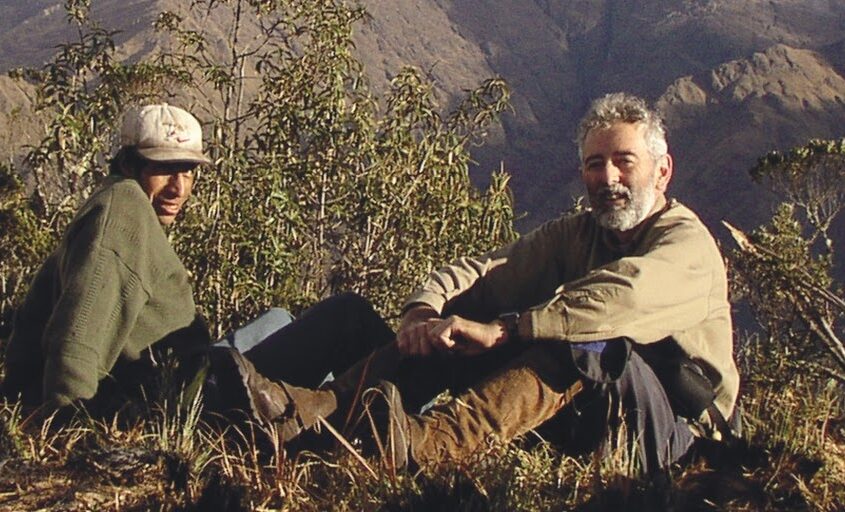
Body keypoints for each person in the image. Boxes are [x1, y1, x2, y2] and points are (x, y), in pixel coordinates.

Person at [211, 92, 740, 473]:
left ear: (662, 171)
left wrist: (508, 330)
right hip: (587, 417)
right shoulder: (578, 233)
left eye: (624, 162)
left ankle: (426, 445)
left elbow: (621, 298)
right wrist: (425, 312)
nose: (608, 178)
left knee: (586, 342)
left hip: (674, 435)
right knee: (454, 327)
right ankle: (307, 415)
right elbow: (489, 270)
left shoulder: (687, 244)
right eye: (594, 165)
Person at [1, 103, 214, 416]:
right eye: (165, 169)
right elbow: (79, 332)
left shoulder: (121, 208)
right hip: (179, 401)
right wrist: (65, 418)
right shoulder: (123, 210)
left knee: (275, 321)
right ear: (128, 164)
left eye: (188, 171)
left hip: (183, 384)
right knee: (296, 332)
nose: (178, 188)